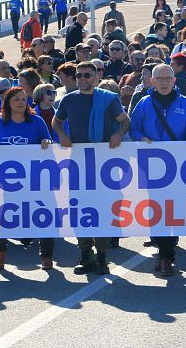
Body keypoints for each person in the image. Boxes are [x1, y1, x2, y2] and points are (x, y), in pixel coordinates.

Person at [52, 62, 130, 275]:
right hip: (78, 162)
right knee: (79, 209)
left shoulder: (107, 99)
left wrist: (118, 134)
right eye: (78, 75)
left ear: (96, 77)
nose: (82, 79)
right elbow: (56, 121)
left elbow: (125, 121)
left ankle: (102, 257)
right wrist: (62, 134)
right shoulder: (69, 99)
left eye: (86, 75)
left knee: (102, 209)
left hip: (104, 162)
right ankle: (86, 255)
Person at [129, 64, 186, 276]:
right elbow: (134, 128)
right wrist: (141, 137)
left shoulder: (185, 104)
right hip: (151, 164)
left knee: (172, 209)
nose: (163, 82)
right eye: (159, 78)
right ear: (152, 81)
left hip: (177, 165)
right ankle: (163, 253)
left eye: (167, 78)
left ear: (174, 80)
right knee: (156, 209)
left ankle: (167, 256)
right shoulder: (144, 103)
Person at [0, 87, 56, 272]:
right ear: (8, 102)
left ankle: (46, 258)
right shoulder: (0, 123)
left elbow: (49, 143)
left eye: (24, 99)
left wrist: (47, 142)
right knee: (1, 218)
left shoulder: (37, 122)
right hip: (7, 183)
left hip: (34, 181)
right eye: (17, 99)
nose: (21, 102)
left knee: (42, 216)